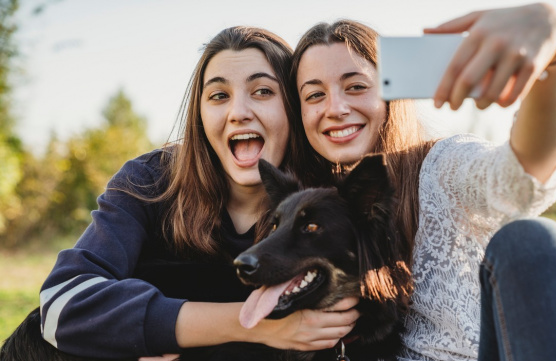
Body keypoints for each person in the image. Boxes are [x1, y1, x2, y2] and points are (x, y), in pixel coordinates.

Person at [289, 3, 556, 361]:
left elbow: (520, 176)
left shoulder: (440, 166)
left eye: (356, 86)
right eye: (314, 94)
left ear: (391, 94)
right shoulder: (304, 208)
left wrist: (552, 63)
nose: (336, 107)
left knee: (533, 240)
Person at [37, 26, 358, 359]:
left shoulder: (330, 205)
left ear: (293, 106)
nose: (239, 113)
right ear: (200, 116)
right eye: (219, 96)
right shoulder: (149, 181)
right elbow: (62, 303)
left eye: (262, 91)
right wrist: (258, 325)